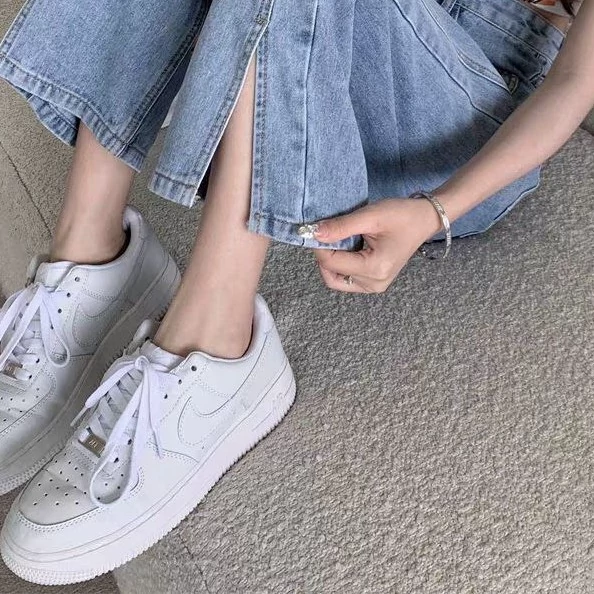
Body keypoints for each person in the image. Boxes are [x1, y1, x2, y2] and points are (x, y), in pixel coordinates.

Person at [0, 0, 591, 585]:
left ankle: (216, 334)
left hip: (470, 118)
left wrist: (437, 210)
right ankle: (90, 256)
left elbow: (572, 85)